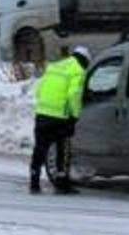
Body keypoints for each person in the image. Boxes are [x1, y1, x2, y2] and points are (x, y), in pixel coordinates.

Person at [30, 45, 91, 194]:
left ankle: (34, 182)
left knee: (40, 149)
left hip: (42, 113)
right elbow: (74, 94)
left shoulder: (54, 67)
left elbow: (38, 91)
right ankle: (61, 184)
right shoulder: (78, 70)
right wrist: (74, 116)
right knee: (62, 150)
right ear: (84, 60)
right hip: (60, 117)